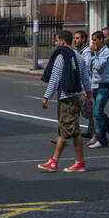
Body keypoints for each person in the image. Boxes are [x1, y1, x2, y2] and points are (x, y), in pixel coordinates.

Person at [38, 29, 93, 172]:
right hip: (78, 96)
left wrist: (46, 96)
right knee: (73, 131)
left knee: (66, 130)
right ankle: (78, 162)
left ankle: (54, 161)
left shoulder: (61, 57)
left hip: (66, 98)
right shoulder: (79, 57)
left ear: (62, 41)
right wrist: (89, 96)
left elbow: (55, 79)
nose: (56, 44)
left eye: (57, 40)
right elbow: (86, 78)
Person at [88, 30, 109, 147]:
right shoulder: (96, 53)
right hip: (94, 84)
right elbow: (90, 68)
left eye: (95, 40)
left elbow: (99, 67)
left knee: (97, 112)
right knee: (97, 114)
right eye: (92, 40)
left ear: (101, 40)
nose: (93, 43)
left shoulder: (106, 52)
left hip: (104, 85)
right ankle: (102, 139)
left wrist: (94, 54)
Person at [73, 30, 94, 138]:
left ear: (83, 39)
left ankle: (97, 133)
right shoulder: (77, 52)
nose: (75, 40)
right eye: (74, 38)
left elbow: (85, 70)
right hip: (78, 87)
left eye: (77, 38)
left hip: (85, 87)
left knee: (90, 113)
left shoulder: (86, 52)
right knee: (76, 111)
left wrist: (87, 90)